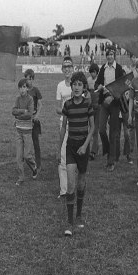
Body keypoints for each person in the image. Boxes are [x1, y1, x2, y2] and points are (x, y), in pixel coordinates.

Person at [59, 71, 94, 236]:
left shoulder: (88, 104)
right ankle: (69, 221)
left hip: (83, 148)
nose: (77, 87)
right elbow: (63, 127)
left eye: (80, 84)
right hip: (71, 147)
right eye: (75, 84)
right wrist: (59, 148)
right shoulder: (67, 105)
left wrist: (85, 146)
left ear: (84, 87)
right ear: (71, 86)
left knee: (81, 183)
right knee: (71, 184)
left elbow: (92, 128)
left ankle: (79, 215)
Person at [96, 47, 126, 171]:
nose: (109, 56)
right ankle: (108, 150)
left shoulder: (118, 68)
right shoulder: (103, 68)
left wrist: (112, 97)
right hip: (104, 102)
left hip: (114, 102)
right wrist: (99, 86)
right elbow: (98, 83)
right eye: (107, 54)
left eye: (111, 54)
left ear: (115, 55)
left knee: (113, 132)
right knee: (102, 129)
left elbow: (122, 86)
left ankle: (111, 161)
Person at [12, 78, 38, 185]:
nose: (22, 89)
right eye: (20, 87)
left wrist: (20, 115)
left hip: (27, 132)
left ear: (27, 88)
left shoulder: (30, 99)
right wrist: (23, 111)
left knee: (27, 156)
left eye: (24, 87)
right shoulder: (17, 99)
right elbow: (13, 111)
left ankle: (34, 167)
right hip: (18, 131)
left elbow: (30, 114)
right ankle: (21, 178)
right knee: (19, 157)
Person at [56, 56, 74, 198]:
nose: (67, 69)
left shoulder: (78, 84)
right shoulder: (60, 85)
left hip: (77, 124)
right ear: (62, 70)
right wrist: (66, 110)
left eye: (69, 66)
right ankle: (63, 190)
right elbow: (57, 108)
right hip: (64, 123)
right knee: (63, 156)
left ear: (73, 68)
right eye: (65, 67)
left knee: (75, 157)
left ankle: (73, 187)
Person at [24, 69, 43, 173]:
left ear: (33, 79)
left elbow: (40, 104)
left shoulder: (35, 90)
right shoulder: (24, 91)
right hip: (26, 120)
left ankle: (38, 164)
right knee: (25, 141)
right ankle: (26, 160)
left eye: (30, 79)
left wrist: (37, 115)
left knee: (35, 142)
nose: (28, 81)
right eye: (26, 79)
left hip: (34, 121)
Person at [86, 63, 100, 160]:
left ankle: (93, 151)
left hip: (98, 108)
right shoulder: (88, 80)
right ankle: (88, 149)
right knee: (89, 128)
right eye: (91, 72)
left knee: (95, 130)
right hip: (90, 107)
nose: (92, 74)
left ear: (97, 72)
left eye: (94, 72)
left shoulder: (100, 80)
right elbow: (86, 93)